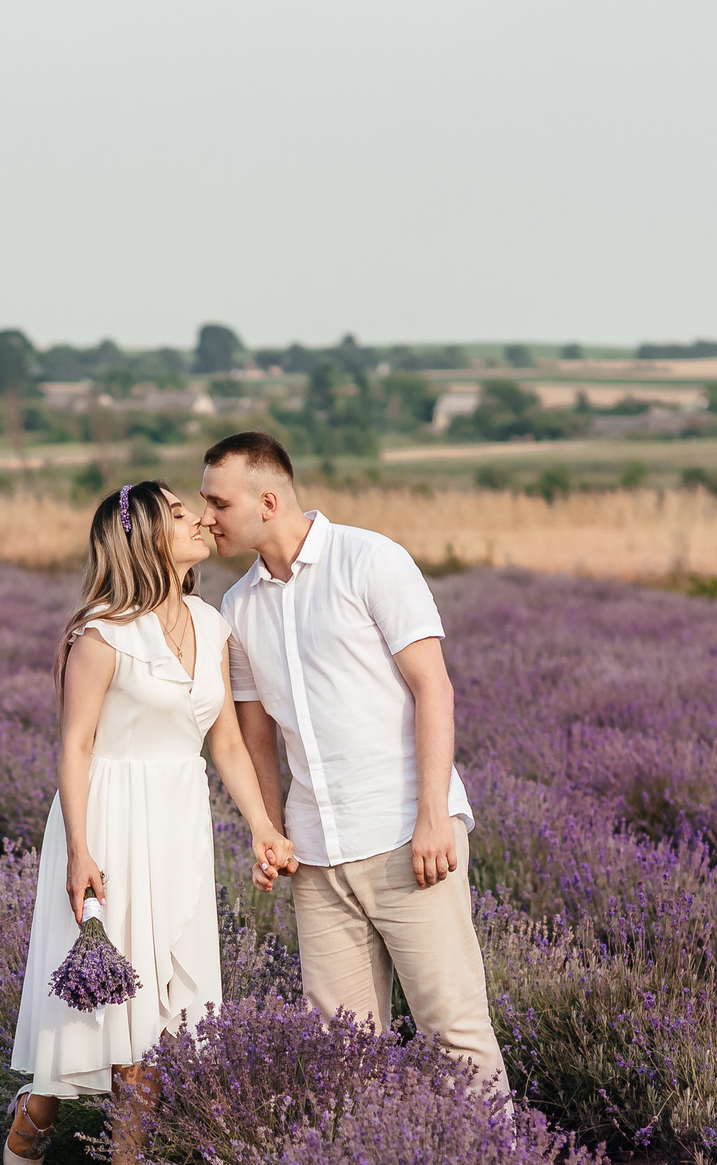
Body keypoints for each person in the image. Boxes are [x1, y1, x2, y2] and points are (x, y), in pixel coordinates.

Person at [196, 431, 510, 1096]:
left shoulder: (371, 560)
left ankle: (500, 1161)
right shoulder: (239, 606)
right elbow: (257, 737)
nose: (207, 517)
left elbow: (434, 688)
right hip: (316, 857)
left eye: (218, 503)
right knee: (341, 1052)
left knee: (453, 1032)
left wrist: (433, 816)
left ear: (268, 500)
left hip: (406, 837)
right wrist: (271, 831)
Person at [4, 481, 295, 1165]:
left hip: (177, 825)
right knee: (99, 1000)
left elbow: (226, 743)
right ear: (144, 540)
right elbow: (75, 746)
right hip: (107, 821)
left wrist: (262, 825)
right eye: (179, 513)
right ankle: (36, 1114)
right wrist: (80, 849)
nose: (199, 519)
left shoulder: (212, 624)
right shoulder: (101, 635)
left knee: (161, 1012)